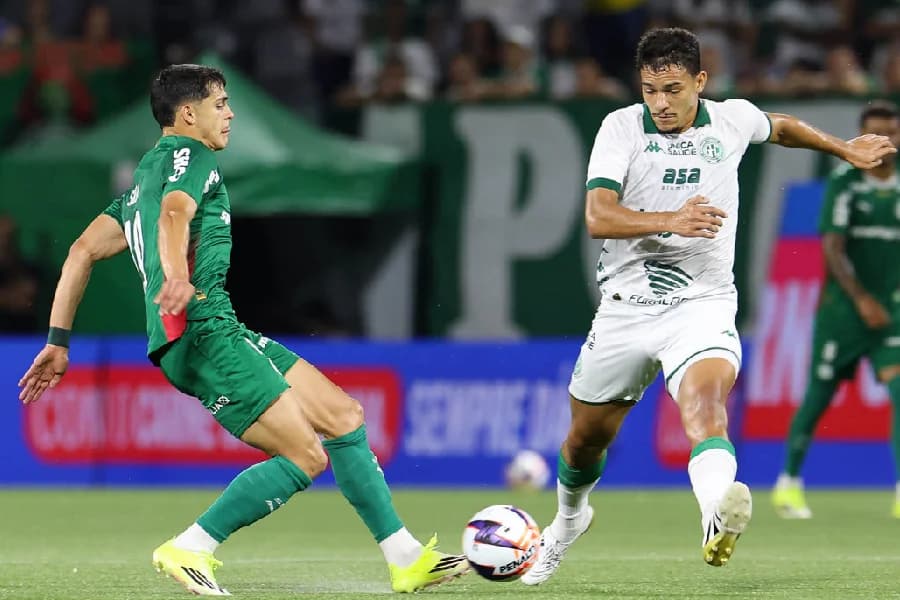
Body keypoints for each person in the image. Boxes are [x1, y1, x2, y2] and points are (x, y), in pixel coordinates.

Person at [17, 64, 468, 596]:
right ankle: (192, 546)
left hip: (220, 327)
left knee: (343, 417)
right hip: (202, 331)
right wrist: (178, 281)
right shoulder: (191, 158)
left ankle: (405, 558)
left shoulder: (145, 176)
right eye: (221, 103)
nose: (230, 114)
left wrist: (57, 341)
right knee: (305, 455)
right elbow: (174, 215)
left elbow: (81, 251)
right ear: (189, 113)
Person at [520, 27, 896, 586]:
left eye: (672, 88)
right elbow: (599, 215)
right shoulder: (620, 127)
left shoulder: (732, 119)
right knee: (584, 441)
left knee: (704, 403)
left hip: (703, 305)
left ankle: (716, 512)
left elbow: (783, 128)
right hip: (625, 308)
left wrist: (844, 148)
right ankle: (569, 523)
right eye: (650, 89)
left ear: (700, 81)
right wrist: (670, 220)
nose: (661, 103)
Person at [773, 101, 900, 520]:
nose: (886, 142)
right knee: (820, 394)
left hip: (891, 312)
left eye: (892, 133)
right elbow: (832, 248)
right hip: (844, 312)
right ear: (863, 138)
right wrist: (862, 299)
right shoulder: (846, 181)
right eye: (877, 134)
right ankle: (788, 483)